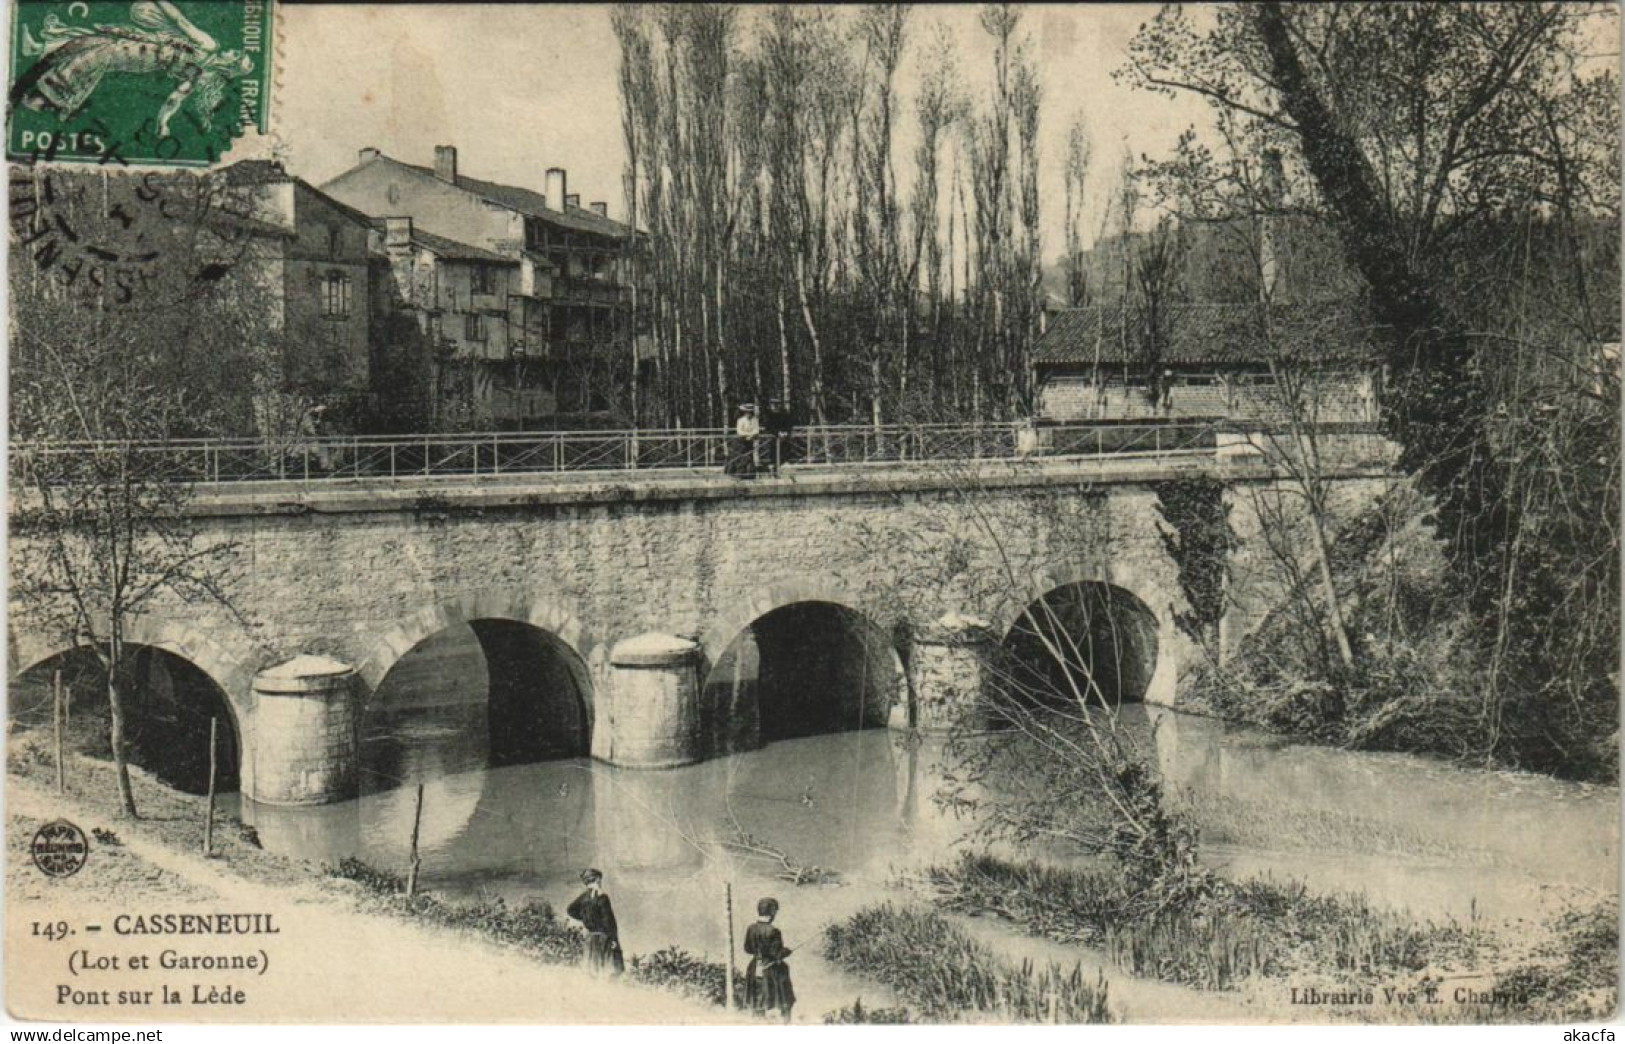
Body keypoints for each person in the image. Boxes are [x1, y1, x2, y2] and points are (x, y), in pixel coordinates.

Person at [744, 896, 794, 1023]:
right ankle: (785, 1021)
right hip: (770, 970)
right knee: (786, 1000)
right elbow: (777, 953)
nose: (775, 914)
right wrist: (786, 951)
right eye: (775, 911)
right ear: (771, 912)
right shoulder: (774, 931)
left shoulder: (751, 928)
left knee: (757, 1002)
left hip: (754, 969)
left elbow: (747, 949)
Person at [566, 868, 623, 976]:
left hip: (590, 938)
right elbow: (608, 921)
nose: (600, 882)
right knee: (609, 970)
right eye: (599, 879)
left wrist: (586, 918)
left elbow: (570, 910)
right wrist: (613, 939)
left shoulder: (584, 897)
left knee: (592, 969)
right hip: (604, 938)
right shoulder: (602, 897)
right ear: (597, 880)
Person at [726, 403, 760, 478]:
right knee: (740, 458)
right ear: (745, 412)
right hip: (740, 442)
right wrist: (747, 435)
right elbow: (740, 431)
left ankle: (749, 475)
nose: (749, 414)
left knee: (749, 458)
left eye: (750, 412)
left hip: (749, 442)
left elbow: (756, 429)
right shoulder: (741, 420)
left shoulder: (754, 420)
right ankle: (738, 475)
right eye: (747, 412)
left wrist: (751, 435)